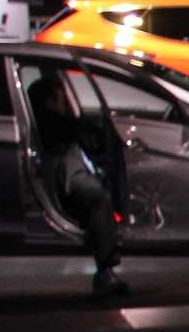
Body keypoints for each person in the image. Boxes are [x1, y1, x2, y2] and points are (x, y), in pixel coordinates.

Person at [24, 68, 130, 296]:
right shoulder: (49, 122)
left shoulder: (53, 122)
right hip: (66, 179)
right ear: (51, 100)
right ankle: (105, 270)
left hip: (70, 174)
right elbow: (71, 128)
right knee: (98, 200)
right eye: (62, 98)